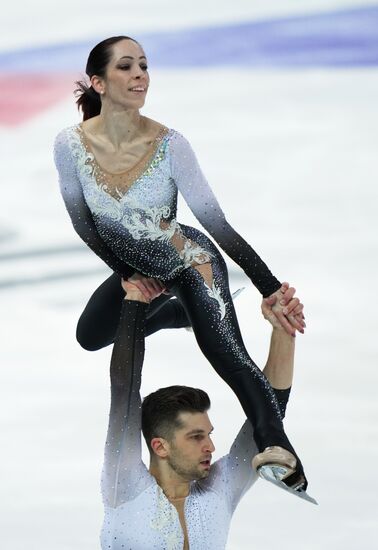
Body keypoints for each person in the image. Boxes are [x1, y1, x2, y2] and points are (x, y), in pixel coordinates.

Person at [53, 35, 308, 491]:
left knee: (229, 356)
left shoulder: (171, 144)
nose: (140, 76)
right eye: (127, 67)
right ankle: (175, 312)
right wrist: (130, 276)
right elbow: (84, 224)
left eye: (145, 66)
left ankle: (277, 446)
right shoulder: (69, 145)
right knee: (90, 335)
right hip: (136, 264)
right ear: (99, 82)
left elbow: (218, 224)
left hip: (191, 262)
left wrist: (270, 286)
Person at [100, 279, 299, 549]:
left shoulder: (220, 489)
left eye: (207, 434)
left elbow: (268, 411)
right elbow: (124, 388)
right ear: (160, 446)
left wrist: (282, 329)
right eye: (195, 437)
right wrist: (136, 299)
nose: (210, 447)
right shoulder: (125, 487)